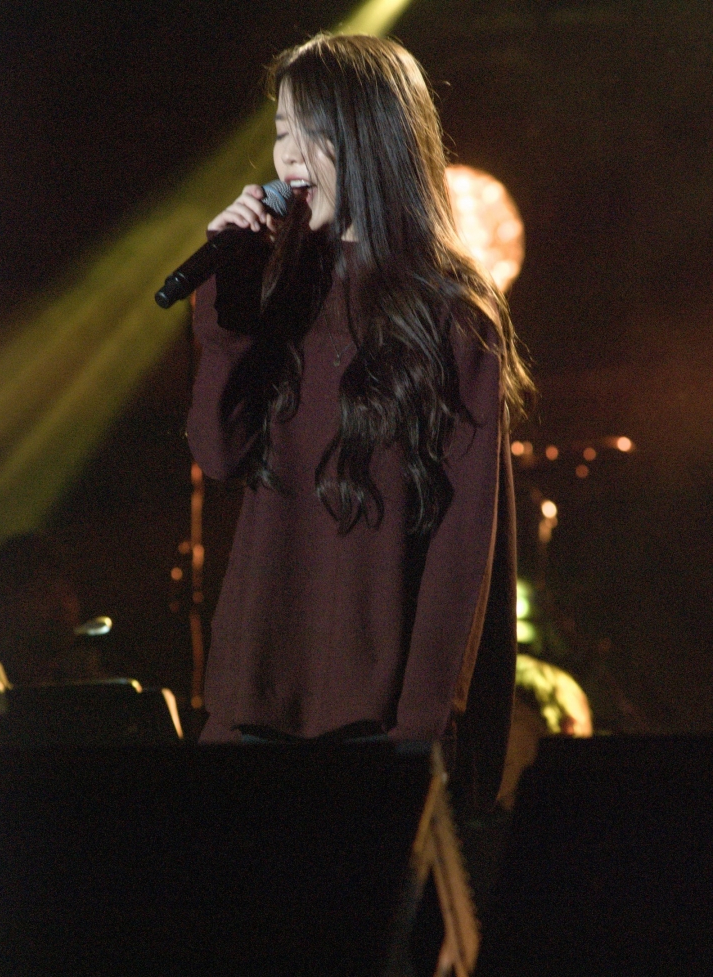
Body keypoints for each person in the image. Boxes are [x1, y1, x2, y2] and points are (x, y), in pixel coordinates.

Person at [187, 33, 533, 810]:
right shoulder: (272, 292)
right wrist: (228, 302)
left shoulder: (452, 313)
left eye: (312, 132)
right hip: (253, 704)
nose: (289, 155)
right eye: (281, 131)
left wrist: (425, 726)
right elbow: (217, 451)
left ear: (374, 137)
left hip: (378, 724)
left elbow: (464, 543)